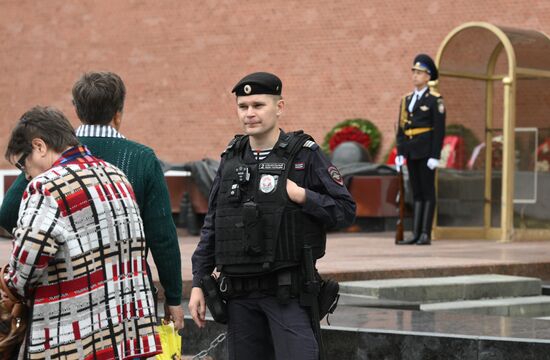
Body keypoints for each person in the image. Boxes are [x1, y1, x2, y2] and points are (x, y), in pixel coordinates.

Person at [188, 72, 356, 360]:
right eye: (243, 107)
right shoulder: (231, 158)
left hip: (286, 294)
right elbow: (214, 224)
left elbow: (345, 210)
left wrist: (304, 196)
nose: (250, 114)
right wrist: (198, 283)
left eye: (258, 105)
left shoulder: (304, 155)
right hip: (240, 298)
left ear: (279, 107)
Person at [0, 72, 184, 328]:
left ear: (76, 109)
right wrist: (173, 297)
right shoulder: (140, 159)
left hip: (66, 300)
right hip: (127, 298)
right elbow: (161, 235)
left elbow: (8, 214)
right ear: (119, 111)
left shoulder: (51, 157)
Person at [3, 106, 162, 358]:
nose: (26, 173)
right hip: (126, 335)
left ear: (40, 146)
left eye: (24, 163)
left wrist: (9, 281)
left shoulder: (45, 187)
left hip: (72, 338)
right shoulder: (116, 176)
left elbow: (23, 272)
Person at [395, 54, 446, 245]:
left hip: (426, 153)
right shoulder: (406, 100)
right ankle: (415, 233)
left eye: (419, 73)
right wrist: (400, 153)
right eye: (414, 72)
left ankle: (425, 233)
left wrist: (435, 155)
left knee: (427, 192)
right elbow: (401, 128)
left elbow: (439, 130)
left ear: (428, 76)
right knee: (415, 193)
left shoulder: (435, 100)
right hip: (410, 152)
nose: (415, 76)